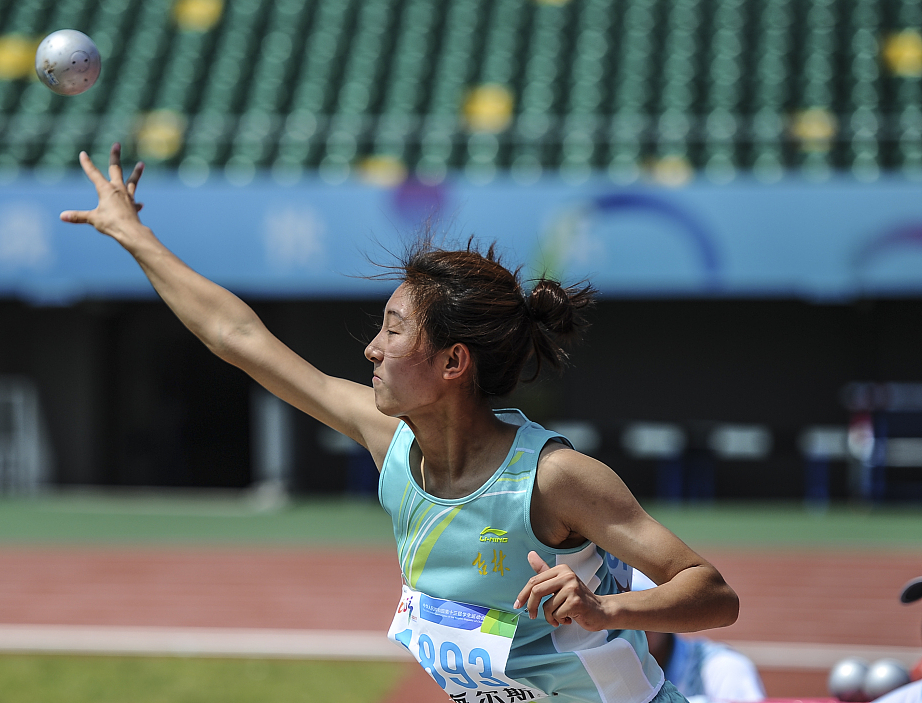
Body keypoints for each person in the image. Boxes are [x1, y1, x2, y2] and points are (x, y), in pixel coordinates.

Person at [60, 146, 740, 703]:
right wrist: (133, 235)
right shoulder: (390, 441)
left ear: (452, 360)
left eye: (391, 329)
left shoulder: (553, 478)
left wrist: (607, 610)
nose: (371, 350)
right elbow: (238, 335)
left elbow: (713, 592)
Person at [630, 571, 764, 703]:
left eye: (642, 612)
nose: (631, 626)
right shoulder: (612, 673)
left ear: (667, 612)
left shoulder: (723, 668)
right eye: (619, 614)